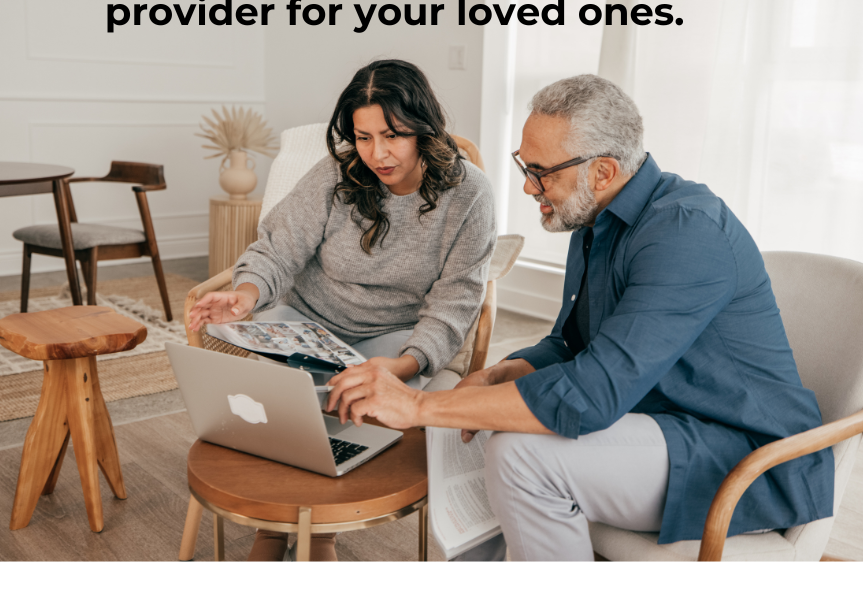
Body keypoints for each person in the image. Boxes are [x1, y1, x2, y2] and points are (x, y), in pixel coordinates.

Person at [326, 74, 834, 561]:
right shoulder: (594, 219)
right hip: (659, 419)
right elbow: (572, 344)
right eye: (525, 166)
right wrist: (512, 369)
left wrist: (417, 407)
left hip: (737, 456)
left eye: (540, 172)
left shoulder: (686, 233)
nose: (528, 187)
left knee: (519, 455)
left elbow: (591, 395)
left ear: (603, 171)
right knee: (477, 419)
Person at [188, 59, 497, 560]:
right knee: (282, 408)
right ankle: (275, 525)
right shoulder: (338, 171)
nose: (378, 153)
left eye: (393, 135)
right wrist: (244, 294)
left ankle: (319, 531)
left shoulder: (470, 195)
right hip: (307, 322)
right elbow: (279, 247)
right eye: (364, 136)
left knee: (347, 400)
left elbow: (456, 303)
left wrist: (399, 368)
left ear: (423, 127)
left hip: (396, 336)